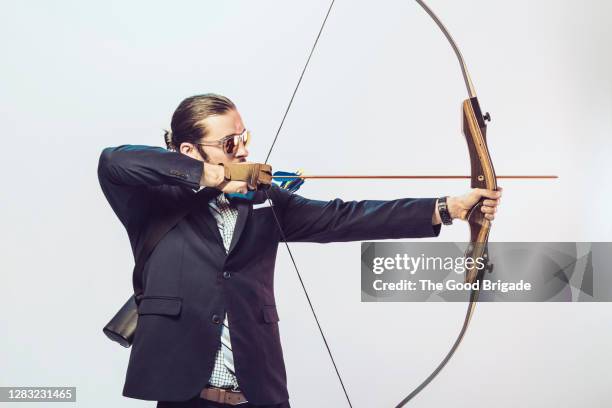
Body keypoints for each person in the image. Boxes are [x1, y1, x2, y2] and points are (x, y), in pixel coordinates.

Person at [97, 93, 501, 408]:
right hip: (181, 395)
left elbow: (345, 218)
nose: (242, 150)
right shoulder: (152, 203)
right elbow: (114, 161)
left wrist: (448, 207)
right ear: (189, 152)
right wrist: (210, 176)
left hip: (258, 393)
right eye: (229, 142)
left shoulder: (263, 200)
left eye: (244, 138)